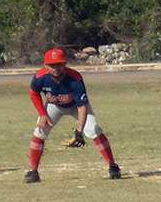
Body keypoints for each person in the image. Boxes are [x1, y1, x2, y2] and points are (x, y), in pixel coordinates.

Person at [24, 48, 120, 183]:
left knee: (93, 130)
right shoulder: (40, 77)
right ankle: (33, 171)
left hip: (75, 106)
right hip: (54, 105)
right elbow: (34, 93)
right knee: (39, 131)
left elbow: (82, 106)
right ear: (45, 65)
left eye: (59, 64)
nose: (55, 68)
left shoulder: (75, 78)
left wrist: (80, 131)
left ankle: (112, 166)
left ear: (65, 64)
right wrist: (42, 114)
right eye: (51, 65)